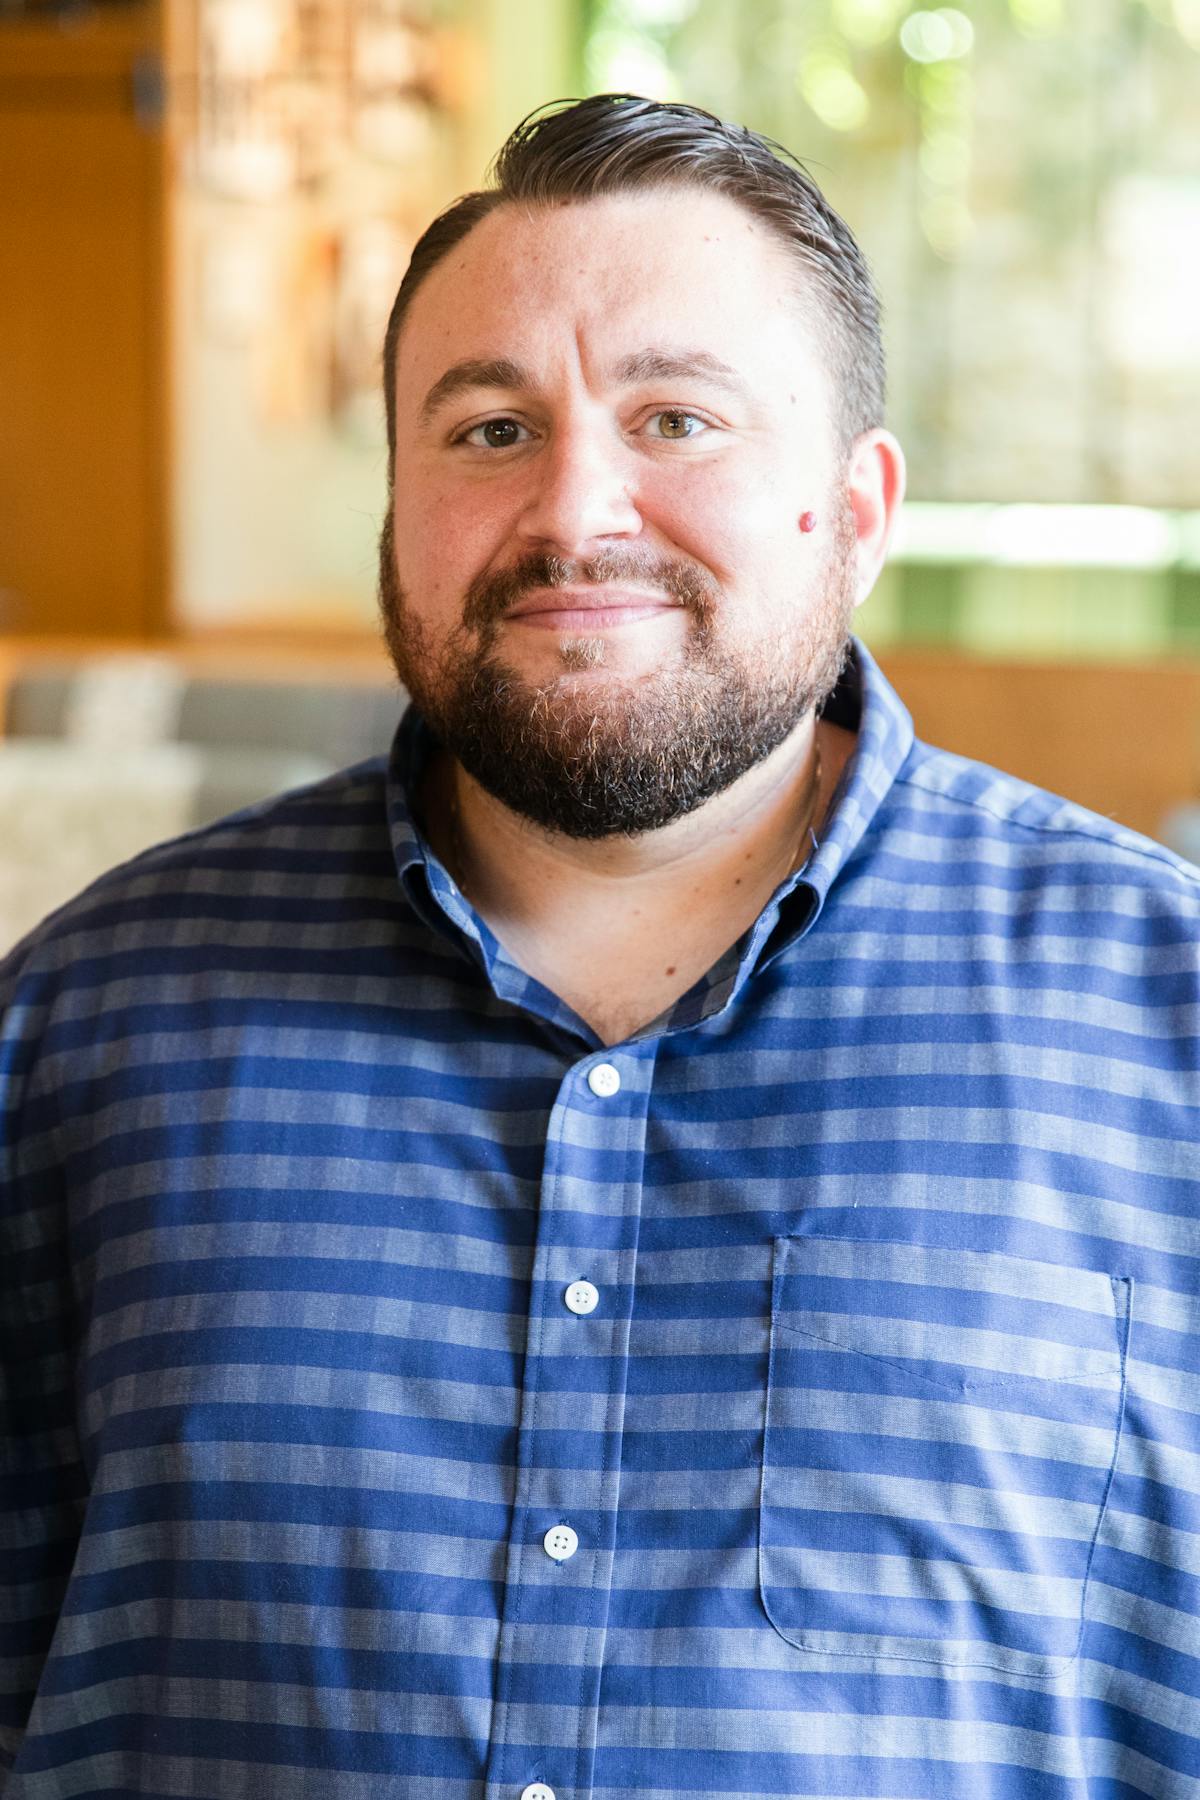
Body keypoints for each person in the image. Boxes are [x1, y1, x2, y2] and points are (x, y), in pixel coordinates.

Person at [1, 92, 1197, 1800]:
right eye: (489, 430)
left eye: (678, 418)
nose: (579, 512)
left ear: (857, 508)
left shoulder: (1162, 1022)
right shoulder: (92, 1019)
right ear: (399, 506)